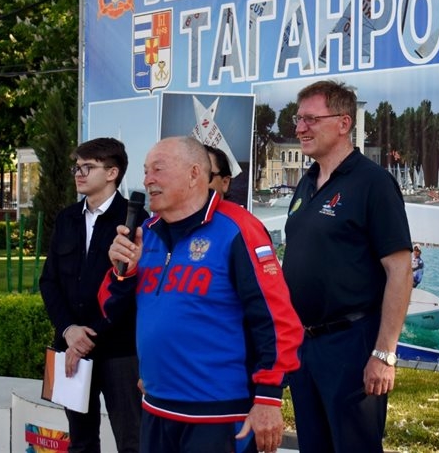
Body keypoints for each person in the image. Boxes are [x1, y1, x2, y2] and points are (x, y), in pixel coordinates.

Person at [102, 136, 303, 453]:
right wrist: (122, 273)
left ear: (194, 173)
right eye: (145, 170)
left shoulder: (237, 228)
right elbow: (111, 311)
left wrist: (268, 397)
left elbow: (276, 319)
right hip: (157, 408)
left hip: (219, 415)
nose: (148, 179)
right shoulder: (145, 233)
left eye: (158, 169)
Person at [281, 80, 413, 453]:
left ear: (343, 123)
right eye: (298, 119)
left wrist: (384, 354)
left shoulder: (373, 183)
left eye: (311, 119)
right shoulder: (306, 183)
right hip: (305, 347)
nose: (300, 128)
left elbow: (400, 271)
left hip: (352, 345)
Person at [39, 137, 148, 453]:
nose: (79, 173)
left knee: (133, 441)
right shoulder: (66, 218)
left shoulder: (136, 220)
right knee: (80, 441)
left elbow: (131, 289)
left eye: (88, 167)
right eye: (76, 167)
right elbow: (49, 282)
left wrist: (90, 335)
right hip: (70, 349)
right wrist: (68, 331)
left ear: (112, 173)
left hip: (120, 352)